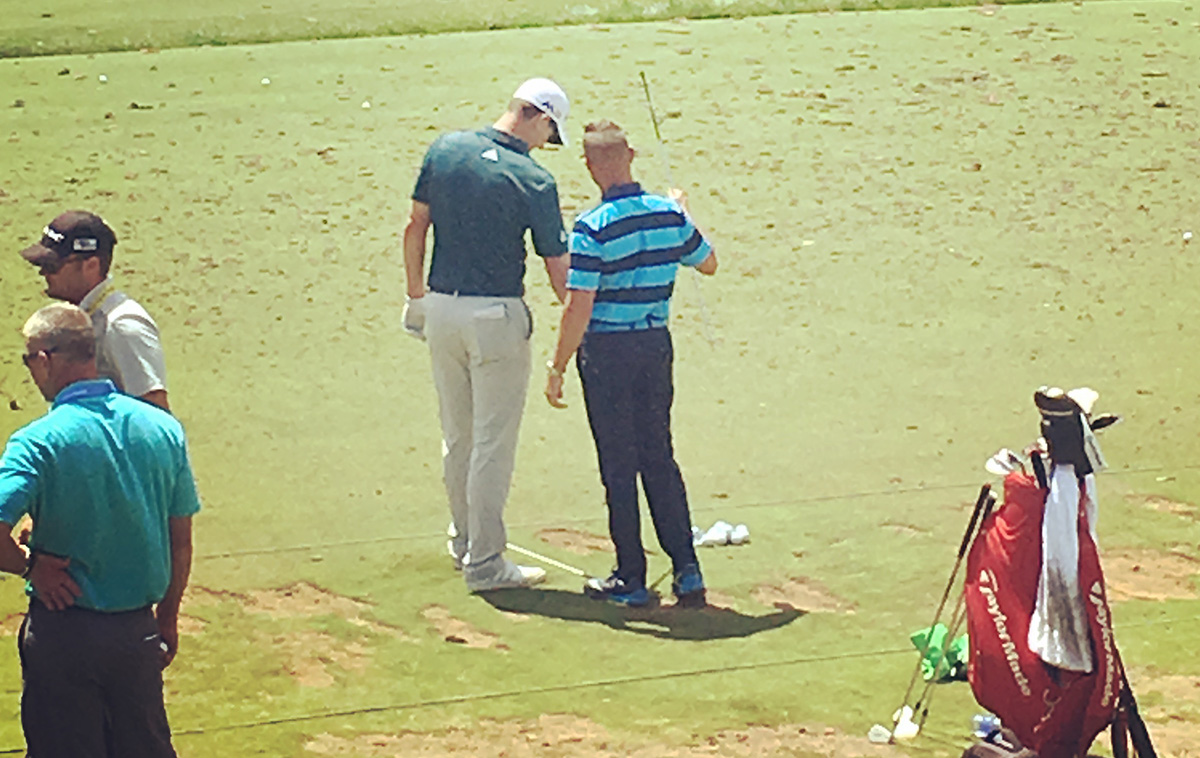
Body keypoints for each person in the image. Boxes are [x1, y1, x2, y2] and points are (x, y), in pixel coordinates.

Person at [0, 303, 200, 757]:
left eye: (29, 360)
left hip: (64, 639)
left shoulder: (38, 441)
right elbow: (180, 542)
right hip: (137, 636)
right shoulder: (162, 430)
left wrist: (32, 567)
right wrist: (166, 616)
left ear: (46, 359)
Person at [402, 78, 572, 592]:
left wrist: (416, 298)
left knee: (458, 437)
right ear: (539, 117)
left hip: (440, 310)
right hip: (496, 318)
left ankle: (464, 543)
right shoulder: (534, 180)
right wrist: (585, 317)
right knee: (491, 445)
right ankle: (486, 564)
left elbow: (415, 227)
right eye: (550, 132)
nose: (547, 143)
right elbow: (558, 270)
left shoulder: (445, 149)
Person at [544, 120, 718, 608]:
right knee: (658, 456)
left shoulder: (591, 227)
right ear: (632, 155)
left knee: (618, 465)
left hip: (607, 354)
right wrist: (682, 212)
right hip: (654, 345)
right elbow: (707, 262)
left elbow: (579, 305)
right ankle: (687, 570)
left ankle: (631, 576)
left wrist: (557, 366)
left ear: (589, 166)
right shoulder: (668, 214)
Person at [19, 210, 170, 410]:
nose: (43, 272)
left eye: (52, 265)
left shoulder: (121, 326)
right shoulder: (81, 318)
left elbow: (155, 414)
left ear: (91, 265)